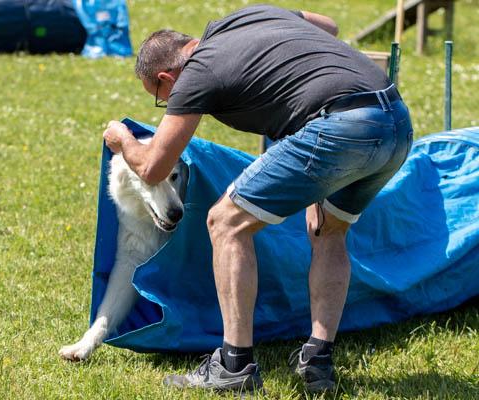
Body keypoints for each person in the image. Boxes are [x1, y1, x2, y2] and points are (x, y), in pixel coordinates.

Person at [102, 4, 413, 394]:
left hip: (339, 127)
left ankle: (234, 365)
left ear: (167, 77)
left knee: (225, 222)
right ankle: (317, 359)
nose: (170, 104)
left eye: (162, 98)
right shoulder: (245, 16)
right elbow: (329, 26)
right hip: (395, 122)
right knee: (327, 229)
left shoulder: (196, 75)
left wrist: (122, 139)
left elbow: (151, 168)